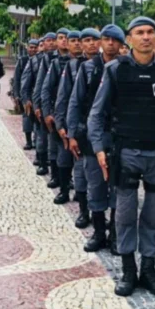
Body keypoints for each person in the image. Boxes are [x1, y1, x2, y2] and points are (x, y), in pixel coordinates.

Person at [88, 16, 155, 299]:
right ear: (130, 38)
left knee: (154, 215)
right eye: (140, 32)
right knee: (124, 214)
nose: (146, 37)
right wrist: (99, 148)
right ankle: (128, 270)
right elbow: (96, 114)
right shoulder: (115, 70)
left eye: (150, 32)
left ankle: (149, 269)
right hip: (126, 153)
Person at [69, 25, 124, 251]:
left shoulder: (126, 68)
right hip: (93, 134)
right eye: (106, 39)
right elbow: (75, 101)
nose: (110, 43)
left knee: (119, 187)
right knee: (95, 184)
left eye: (115, 40)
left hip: (120, 135)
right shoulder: (88, 68)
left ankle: (115, 234)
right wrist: (72, 134)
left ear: (121, 44)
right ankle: (99, 232)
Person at [57, 28, 93, 218]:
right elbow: (65, 98)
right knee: (74, 165)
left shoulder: (111, 65)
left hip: (101, 127)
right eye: (83, 40)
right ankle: (80, 207)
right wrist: (61, 124)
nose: (80, 44)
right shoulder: (72, 66)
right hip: (77, 124)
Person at [49, 30, 83, 203]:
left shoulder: (92, 65)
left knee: (82, 162)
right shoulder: (64, 65)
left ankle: (81, 193)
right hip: (66, 118)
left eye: (79, 40)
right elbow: (60, 97)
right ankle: (64, 190)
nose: (77, 43)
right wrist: (59, 122)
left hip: (84, 120)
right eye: (73, 40)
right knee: (64, 158)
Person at [39, 28, 72, 191]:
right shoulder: (51, 61)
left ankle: (68, 179)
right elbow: (43, 87)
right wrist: (45, 112)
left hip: (72, 111)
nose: (64, 40)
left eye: (67, 38)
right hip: (55, 110)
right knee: (55, 147)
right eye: (61, 38)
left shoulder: (79, 61)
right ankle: (56, 177)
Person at [21, 33, 55, 175]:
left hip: (55, 104)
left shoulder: (61, 59)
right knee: (41, 137)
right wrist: (27, 100)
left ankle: (56, 169)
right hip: (39, 103)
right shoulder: (35, 60)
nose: (51, 43)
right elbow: (26, 82)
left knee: (54, 140)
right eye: (48, 41)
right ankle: (42, 163)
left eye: (54, 40)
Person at [13, 39, 39, 150]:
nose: (33, 49)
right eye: (31, 47)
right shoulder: (22, 61)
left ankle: (36, 141)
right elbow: (17, 79)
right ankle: (28, 141)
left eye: (35, 47)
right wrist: (16, 95)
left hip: (37, 94)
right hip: (26, 94)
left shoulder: (41, 60)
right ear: (27, 48)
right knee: (27, 118)